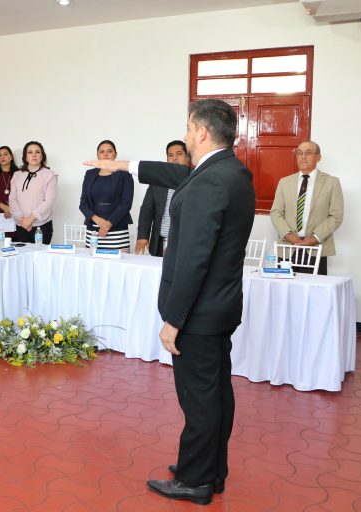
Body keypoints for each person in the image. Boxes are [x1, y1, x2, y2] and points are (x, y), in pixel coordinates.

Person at [85, 99, 255, 506]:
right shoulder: (231, 171)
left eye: (188, 127)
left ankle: (195, 480)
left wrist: (173, 320)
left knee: (198, 398)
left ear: (200, 132)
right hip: (221, 308)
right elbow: (179, 174)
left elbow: (193, 260)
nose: (184, 134)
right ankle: (211, 469)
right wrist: (125, 166)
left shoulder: (211, 182)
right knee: (215, 392)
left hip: (198, 315)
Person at [269, 141, 343, 275]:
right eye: (299, 153)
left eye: (308, 153)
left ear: (318, 157)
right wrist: (288, 235)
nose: (303, 156)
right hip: (287, 248)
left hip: (315, 249)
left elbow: (336, 216)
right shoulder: (285, 182)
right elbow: (276, 212)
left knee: (314, 294)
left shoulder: (332, 182)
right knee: (283, 293)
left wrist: (315, 238)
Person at [134, 141, 189, 256]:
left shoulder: (193, 179)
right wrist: (143, 236)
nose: (174, 158)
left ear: (187, 156)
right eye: (170, 155)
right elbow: (147, 209)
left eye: (179, 154)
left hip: (183, 242)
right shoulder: (158, 179)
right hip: (159, 240)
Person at [79, 140, 134, 251]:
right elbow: (83, 204)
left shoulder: (125, 174)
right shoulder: (89, 174)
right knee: (93, 265)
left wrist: (108, 224)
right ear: (97, 155)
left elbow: (126, 203)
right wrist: (98, 221)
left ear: (115, 154)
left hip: (117, 231)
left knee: (119, 266)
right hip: (93, 231)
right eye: (102, 151)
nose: (105, 154)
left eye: (109, 151)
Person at [9, 141, 58, 244]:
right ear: (25, 157)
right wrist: (22, 220)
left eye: (37, 152)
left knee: (40, 258)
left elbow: (49, 201)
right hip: (21, 225)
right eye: (30, 152)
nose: (34, 155)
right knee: (22, 259)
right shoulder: (17, 175)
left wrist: (30, 219)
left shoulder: (50, 175)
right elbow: (12, 199)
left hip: (42, 226)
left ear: (42, 156)